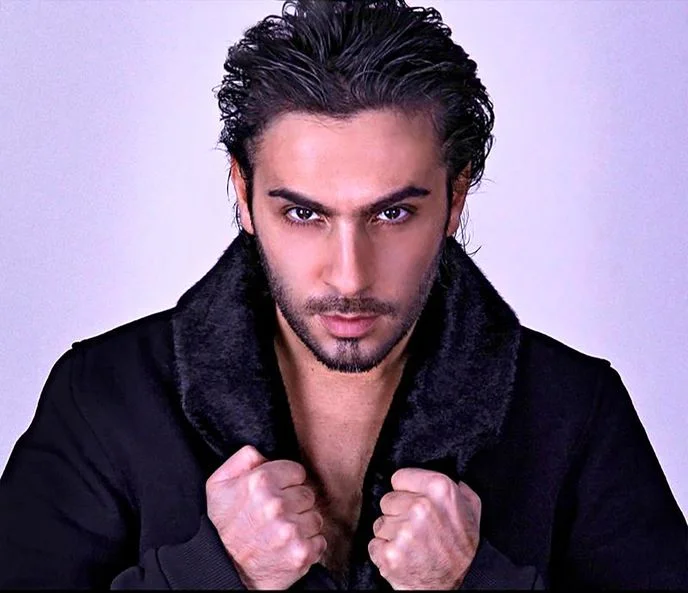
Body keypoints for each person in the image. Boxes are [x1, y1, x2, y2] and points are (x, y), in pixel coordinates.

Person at [1, 0, 686, 589]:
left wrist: (475, 581)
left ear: (455, 199)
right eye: (304, 214)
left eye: (393, 213)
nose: (350, 277)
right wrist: (215, 571)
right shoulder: (105, 395)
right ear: (243, 192)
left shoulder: (575, 410)